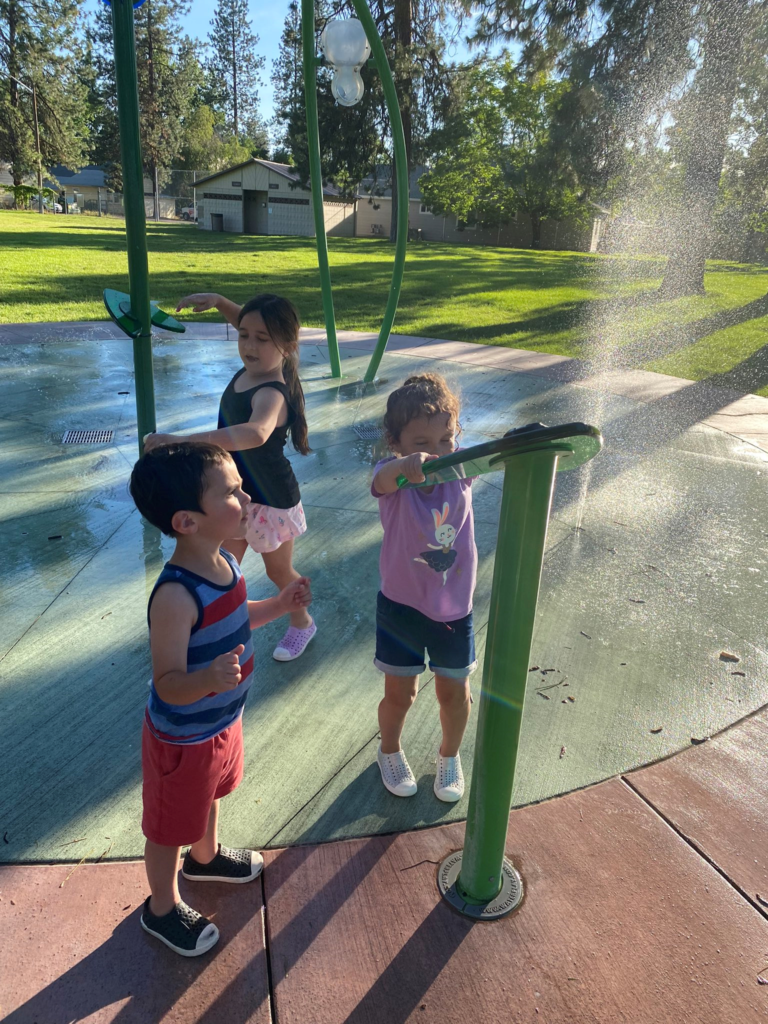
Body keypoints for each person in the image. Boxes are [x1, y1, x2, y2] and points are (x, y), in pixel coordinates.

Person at [129, 441, 312, 956]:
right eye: (231, 491)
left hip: (222, 722)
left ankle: (205, 858)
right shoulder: (175, 596)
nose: (246, 494)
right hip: (182, 737)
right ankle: (160, 908)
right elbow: (167, 681)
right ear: (187, 521)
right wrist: (207, 677)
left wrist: (279, 604)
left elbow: (237, 615)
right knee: (168, 827)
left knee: (209, 796)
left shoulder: (225, 564)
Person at [144, 291, 315, 662]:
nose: (249, 345)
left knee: (278, 570)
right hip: (233, 497)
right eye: (244, 335)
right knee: (217, 567)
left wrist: (180, 440)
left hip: (271, 501)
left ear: (286, 344)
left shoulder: (272, 391)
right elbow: (249, 322)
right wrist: (220, 301)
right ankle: (210, 631)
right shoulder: (259, 363)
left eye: (261, 339)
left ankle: (302, 623)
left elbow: (255, 433)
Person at [371, 374, 477, 804]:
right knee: (400, 694)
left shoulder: (462, 471)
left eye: (445, 439)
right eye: (422, 442)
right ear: (396, 442)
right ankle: (389, 750)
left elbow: (494, 458)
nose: (435, 452)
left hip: (453, 610)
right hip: (401, 608)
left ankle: (449, 756)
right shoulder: (393, 480)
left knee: (455, 692)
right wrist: (405, 466)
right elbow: (381, 480)